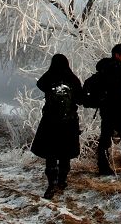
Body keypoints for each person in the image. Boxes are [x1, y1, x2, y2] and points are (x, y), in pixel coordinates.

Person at [30, 54, 83, 200]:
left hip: (50, 122)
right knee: (65, 153)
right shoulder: (73, 79)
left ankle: (51, 184)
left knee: (51, 153)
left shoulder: (48, 78)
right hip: (69, 122)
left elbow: (40, 84)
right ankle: (62, 180)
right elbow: (80, 98)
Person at [95, 43, 121, 176]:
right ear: (116, 55)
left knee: (106, 138)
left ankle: (104, 168)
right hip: (113, 110)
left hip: (109, 110)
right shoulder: (113, 69)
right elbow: (115, 88)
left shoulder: (110, 68)